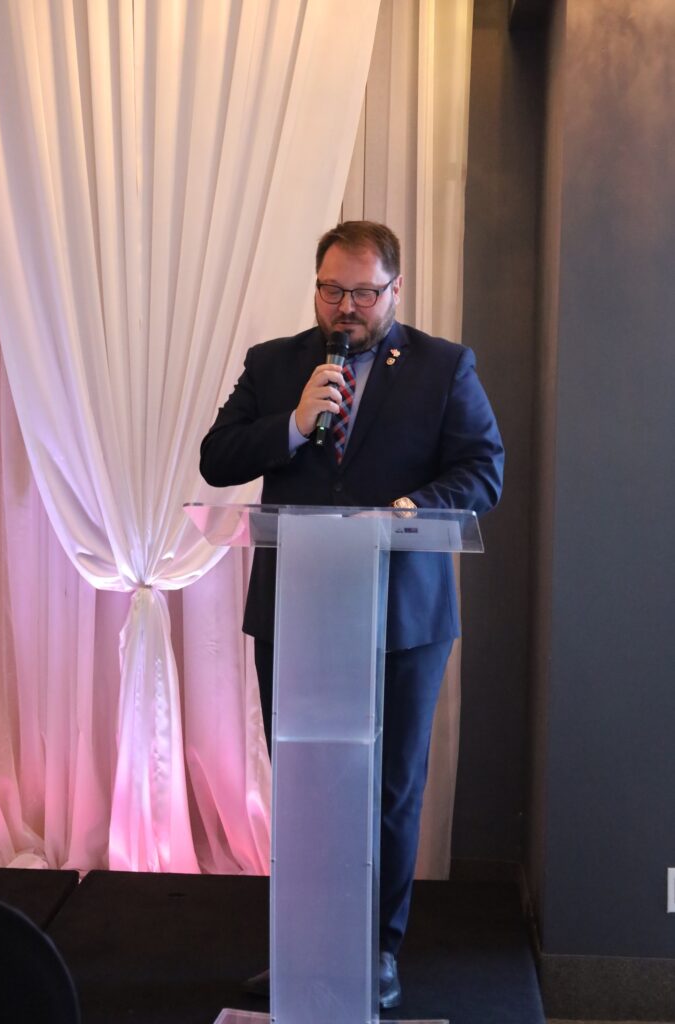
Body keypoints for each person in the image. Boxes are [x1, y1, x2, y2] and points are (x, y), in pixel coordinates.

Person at [199, 220, 504, 1009]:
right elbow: (216, 458)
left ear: (394, 290)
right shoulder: (275, 364)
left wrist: (406, 511)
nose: (345, 307)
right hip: (297, 612)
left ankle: (376, 949)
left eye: (363, 293)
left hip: (403, 618)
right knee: (306, 786)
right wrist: (293, 425)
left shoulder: (443, 366)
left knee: (390, 789)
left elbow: (482, 469)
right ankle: (307, 944)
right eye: (331, 290)